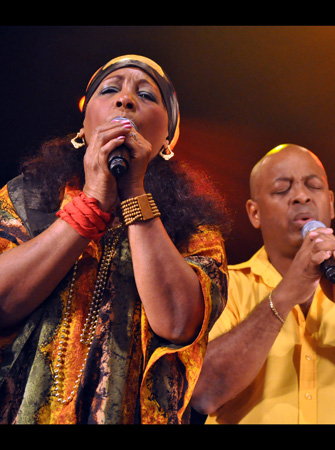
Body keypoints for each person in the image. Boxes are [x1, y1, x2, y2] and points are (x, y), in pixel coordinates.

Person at [0, 55, 229, 424]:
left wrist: (134, 192)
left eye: (147, 95)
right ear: (83, 127)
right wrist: (91, 203)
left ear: (168, 138)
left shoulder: (195, 225)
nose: (125, 100)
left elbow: (177, 323)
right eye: (110, 90)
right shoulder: (29, 196)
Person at [191, 144, 335, 424]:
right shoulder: (222, 284)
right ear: (254, 213)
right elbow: (204, 393)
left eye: (313, 186)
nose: (301, 196)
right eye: (282, 190)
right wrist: (284, 295)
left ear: (331, 202)